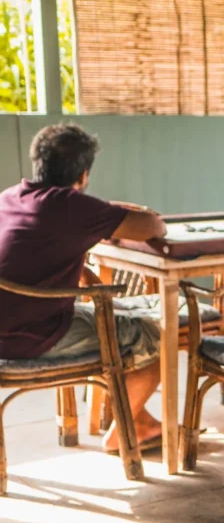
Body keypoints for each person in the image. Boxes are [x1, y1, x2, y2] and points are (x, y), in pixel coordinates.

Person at [0, 123, 166, 452]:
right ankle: (122, 432)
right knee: (151, 335)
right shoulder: (71, 205)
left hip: (10, 323)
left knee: (109, 330)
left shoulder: (9, 198)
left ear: (38, 162)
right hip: (31, 335)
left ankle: (142, 422)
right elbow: (151, 227)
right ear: (84, 174)